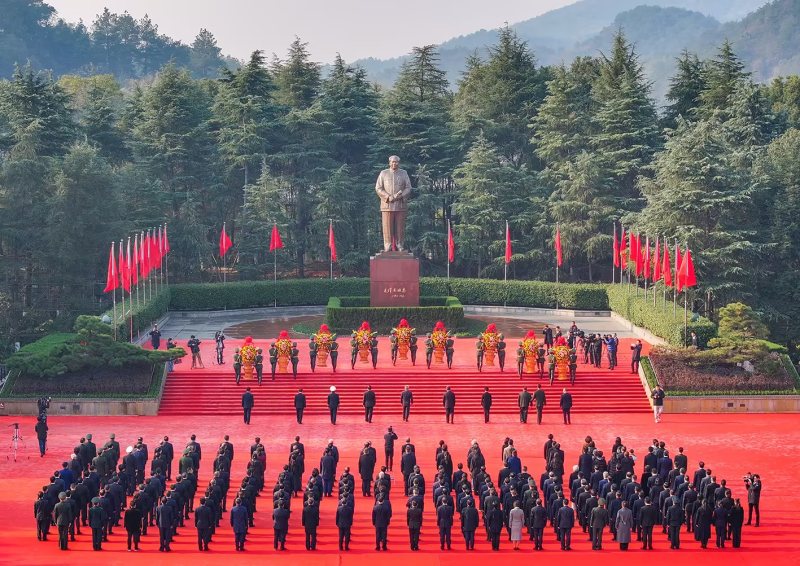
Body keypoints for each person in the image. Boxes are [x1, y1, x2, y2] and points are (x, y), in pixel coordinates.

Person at [375, 155, 413, 251]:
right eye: (393, 162)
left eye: (396, 162)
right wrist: (388, 197)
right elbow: (378, 188)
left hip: (400, 204)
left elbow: (408, 187)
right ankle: (387, 245)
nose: (394, 163)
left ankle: (400, 244)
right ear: (389, 162)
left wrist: (401, 196)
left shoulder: (404, 173)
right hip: (387, 205)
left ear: (398, 163)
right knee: (387, 226)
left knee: (400, 226)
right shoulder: (383, 173)